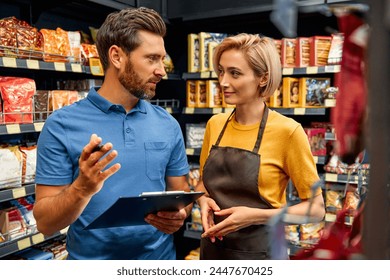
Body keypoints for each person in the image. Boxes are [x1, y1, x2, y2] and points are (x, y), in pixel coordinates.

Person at [33, 7, 191, 260]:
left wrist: (177, 215)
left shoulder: (167, 123)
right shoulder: (61, 124)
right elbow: (45, 224)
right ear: (117, 56)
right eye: (151, 59)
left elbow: (180, 193)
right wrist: (82, 189)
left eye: (162, 59)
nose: (162, 70)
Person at [195, 33, 325, 260]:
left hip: (261, 254)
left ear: (262, 78)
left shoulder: (288, 132)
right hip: (212, 251)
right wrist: (203, 200)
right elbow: (202, 184)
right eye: (221, 71)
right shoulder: (215, 125)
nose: (223, 82)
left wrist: (254, 216)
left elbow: (316, 210)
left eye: (234, 73)